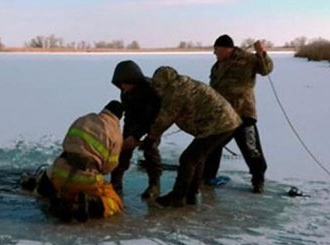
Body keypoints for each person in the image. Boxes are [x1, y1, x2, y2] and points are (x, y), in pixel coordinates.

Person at [141, 66, 242, 207]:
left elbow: (165, 118)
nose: (157, 89)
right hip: (225, 123)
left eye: (159, 85)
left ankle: (178, 196)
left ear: (165, 83)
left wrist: (151, 138)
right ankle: (191, 194)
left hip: (218, 124)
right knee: (197, 158)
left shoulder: (175, 91)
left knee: (188, 159)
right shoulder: (180, 83)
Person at [21, 100, 124, 222]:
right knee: (115, 202)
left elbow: (66, 144)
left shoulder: (83, 120)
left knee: (49, 174)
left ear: (104, 109)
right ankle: (87, 206)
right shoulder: (116, 134)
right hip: (86, 181)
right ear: (119, 118)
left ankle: (48, 193)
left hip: (59, 173)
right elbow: (109, 167)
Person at [203, 34, 273, 193]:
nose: (215, 53)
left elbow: (265, 69)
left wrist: (262, 54)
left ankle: (258, 180)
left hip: (243, 114)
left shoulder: (247, 59)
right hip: (222, 116)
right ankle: (208, 177)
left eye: (217, 49)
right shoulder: (217, 66)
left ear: (228, 49)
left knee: (251, 148)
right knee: (212, 146)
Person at [110, 60, 162, 199]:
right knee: (123, 150)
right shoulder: (125, 92)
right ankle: (115, 182)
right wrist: (127, 135)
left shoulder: (152, 90)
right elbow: (129, 114)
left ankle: (154, 185)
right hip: (135, 122)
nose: (122, 86)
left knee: (150, 149)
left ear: (133, 80)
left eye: (125, 83)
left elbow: (152, 116)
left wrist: (136, 136)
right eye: (120, 84)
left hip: (155, 122)